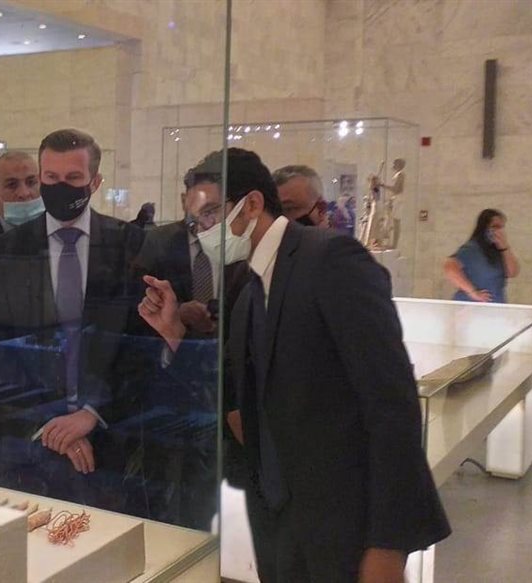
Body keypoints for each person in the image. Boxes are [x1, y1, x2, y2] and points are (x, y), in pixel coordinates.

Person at [139, 148, 450, 582]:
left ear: (252, 204)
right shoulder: (248, 283)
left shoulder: (331, 258)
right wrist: (174, 333)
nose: (205, 230)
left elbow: (391, 402)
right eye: (196, 221)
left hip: (341, 519)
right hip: (279, 516)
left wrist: (389, 542)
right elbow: (237, 384)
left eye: (211, 213)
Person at [0, 128, 145, 512]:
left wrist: (92, 414)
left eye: (73, 178)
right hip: (28, 440)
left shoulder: (130, 244)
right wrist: (53, 427)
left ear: (95, 182)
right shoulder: (5, 250)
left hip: (110, 440)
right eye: (51, 177)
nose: (60, 187)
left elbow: (137, 345)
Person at [130, 155, 254, 529]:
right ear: (185, 200)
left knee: (211, 493)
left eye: (215, 210)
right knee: (170, 493)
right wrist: (179, 314)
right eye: (200, 209)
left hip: (228, 380)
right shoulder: (157, 242)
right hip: (173, 383)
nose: (207, 221)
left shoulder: (241, 244)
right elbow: (134, 311)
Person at [443, 209, 520, 303]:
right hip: (472, 306)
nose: (499, 231)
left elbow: (512, 273)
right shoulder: (472, 249)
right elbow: (449, 267)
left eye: (501, 227)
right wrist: (472, 292)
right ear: (484, 228)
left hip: (494, 306)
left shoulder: (498, 251)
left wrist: (504, 247)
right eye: (495, 227)